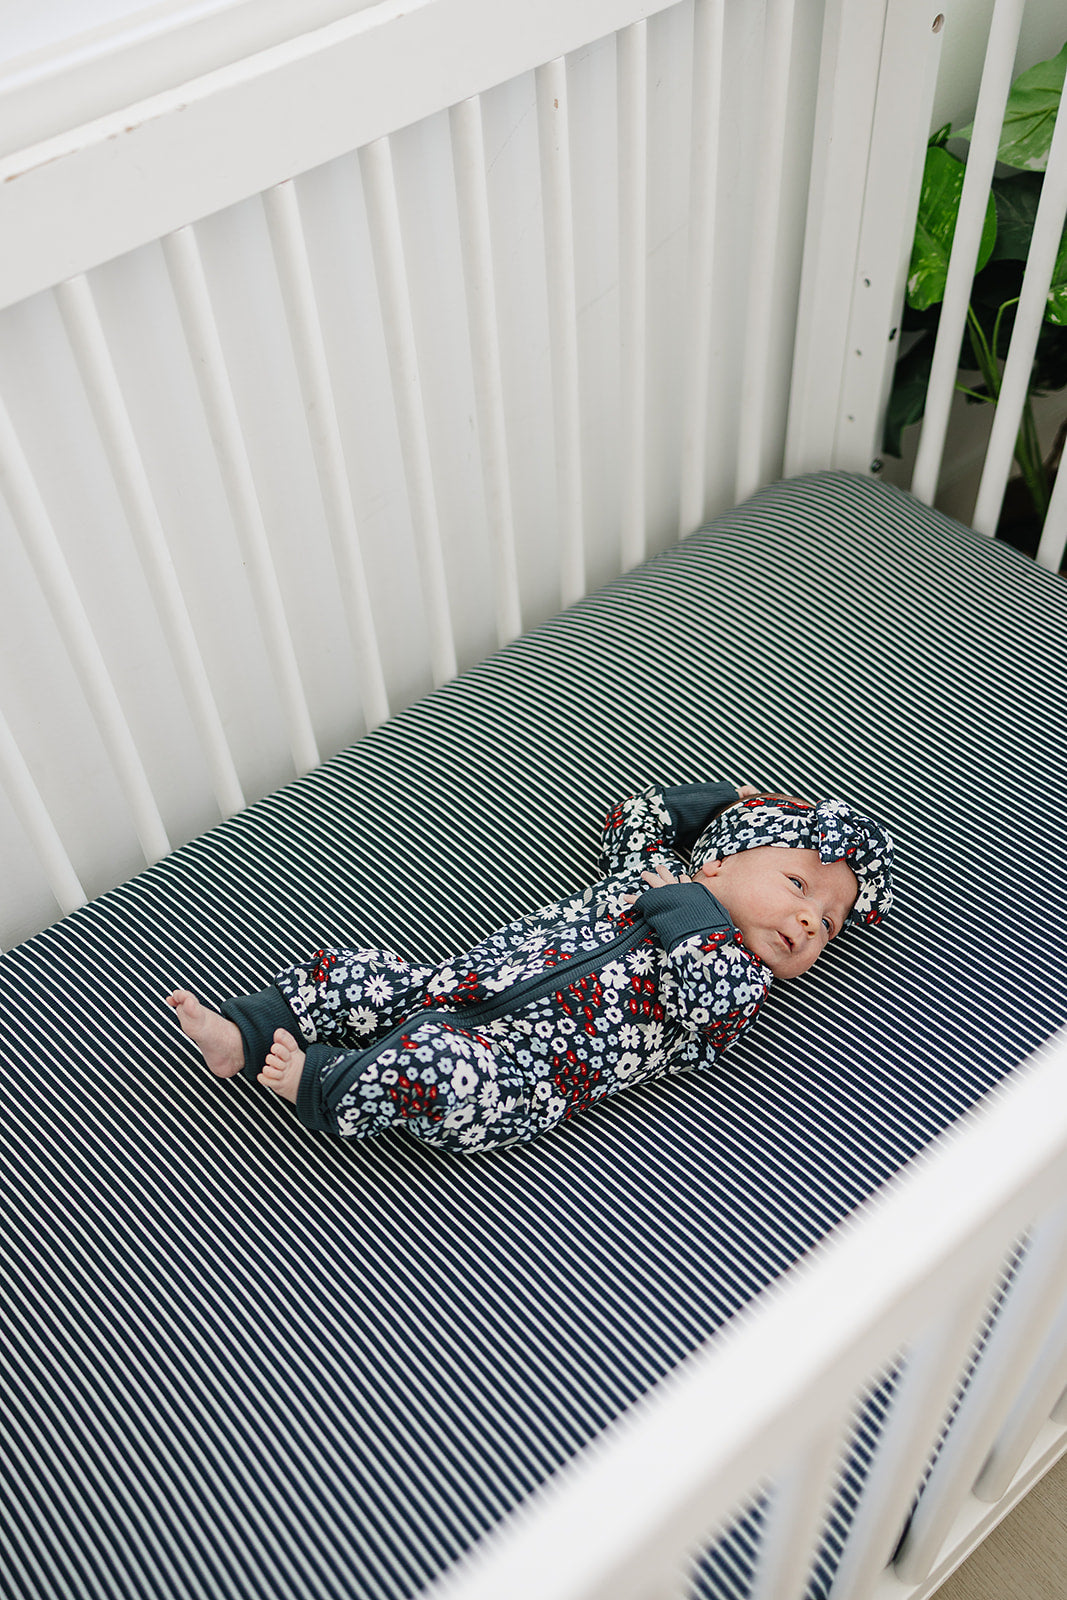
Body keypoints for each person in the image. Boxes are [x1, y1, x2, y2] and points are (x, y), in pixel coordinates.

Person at [166, 782, 894, 1155]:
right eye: (797, 884)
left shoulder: (739, 980)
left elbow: (712, 994)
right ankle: (243, 1033)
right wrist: (728, 804)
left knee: (435, 1065)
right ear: (717, 860)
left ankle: (323, 1084)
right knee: (356, 976)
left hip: (519, 1077)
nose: (809, 920)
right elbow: (634, 818)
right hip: (452, 984)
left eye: (829, 923)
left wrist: (688, 906)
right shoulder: (648, 872)